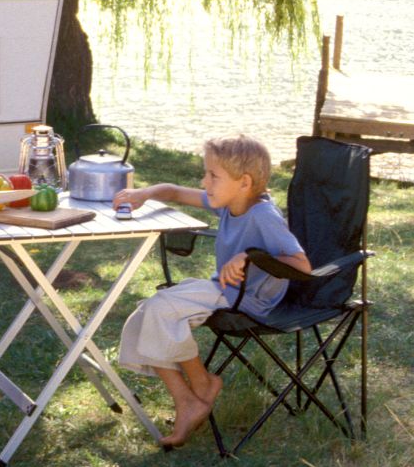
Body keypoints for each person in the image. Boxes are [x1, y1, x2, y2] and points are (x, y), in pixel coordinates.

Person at [113, 134, 310, 449]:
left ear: (244, 182)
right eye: (206, 174)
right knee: (145, 314)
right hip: (225, 289)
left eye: (212, 176)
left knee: (160, 308)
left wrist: (249, 256)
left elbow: (302, 266)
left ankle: (195, 392)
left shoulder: (262, 215)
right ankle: (197, 390)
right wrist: (145, 193)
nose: (204, 182)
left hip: (248, 300)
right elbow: (175, 192)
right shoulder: (232, 201)